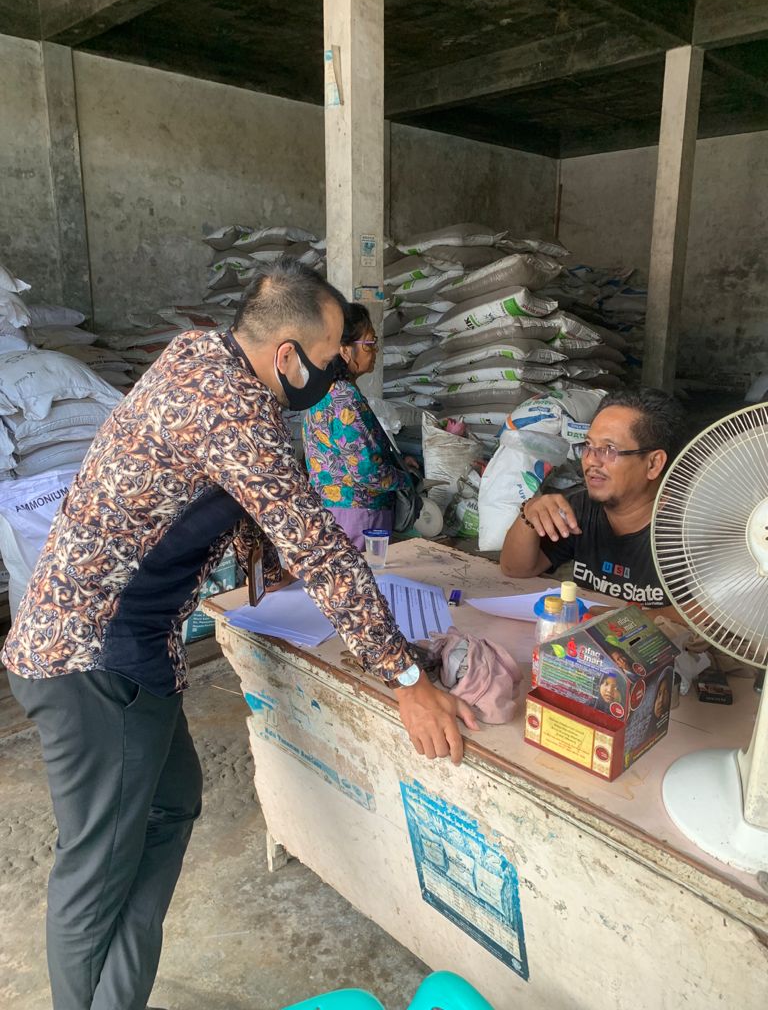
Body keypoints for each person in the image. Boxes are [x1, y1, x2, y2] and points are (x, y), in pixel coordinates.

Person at [2, 259, 477, 1010]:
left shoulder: (201, 355)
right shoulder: (235, 410)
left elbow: (221, 489)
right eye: (329, 360)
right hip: (92, 661)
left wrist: (263, 558)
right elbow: (320, 545)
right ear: (287, 355)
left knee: (170, 806)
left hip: (118, 649)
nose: (336, 375)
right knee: (96, 870)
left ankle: (114, 995)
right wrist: (407, 678)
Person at [500, 387, 686, 613]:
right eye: (588, 446)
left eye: (609, 449)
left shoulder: (689, 528)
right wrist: (529, 513)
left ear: (653, 464)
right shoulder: (580, 509)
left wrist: (620, 620)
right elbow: (516, 569)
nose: (590, 461)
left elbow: (709, 614)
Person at [302, 302, 411, 549]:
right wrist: (406, 480)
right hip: (360, 516)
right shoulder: (344, 397)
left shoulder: (322, 392)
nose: (375, 350)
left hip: (334, 513)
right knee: (364, 572)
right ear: (344, 350)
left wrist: (395, 462)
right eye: (369, 343)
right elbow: (367, 472)